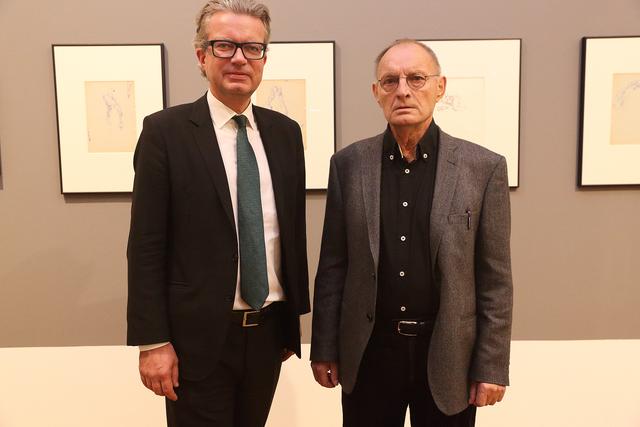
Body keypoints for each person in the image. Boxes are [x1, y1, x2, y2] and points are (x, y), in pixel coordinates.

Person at [310, 39, 513, 427]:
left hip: (448, 354)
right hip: (369, 353)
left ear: (440, 87)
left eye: (416, 78)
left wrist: (492, 364)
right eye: (390, 81)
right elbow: (333, 266)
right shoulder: (348, 165)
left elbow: (495, 280)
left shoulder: (482, 168)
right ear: (376, 92)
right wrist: (324, 348)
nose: (402, 90)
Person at [126, 1, 309, 426]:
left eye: (253, 48)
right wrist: (153, 341)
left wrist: (290, 326)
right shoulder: (165, 133)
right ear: (201, 56)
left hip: (268, 334)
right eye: (224, 46)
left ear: (264, 57)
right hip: (197, 340)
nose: (240, 58)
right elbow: (147, 245)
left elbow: (290, 232)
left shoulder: (285, 134)